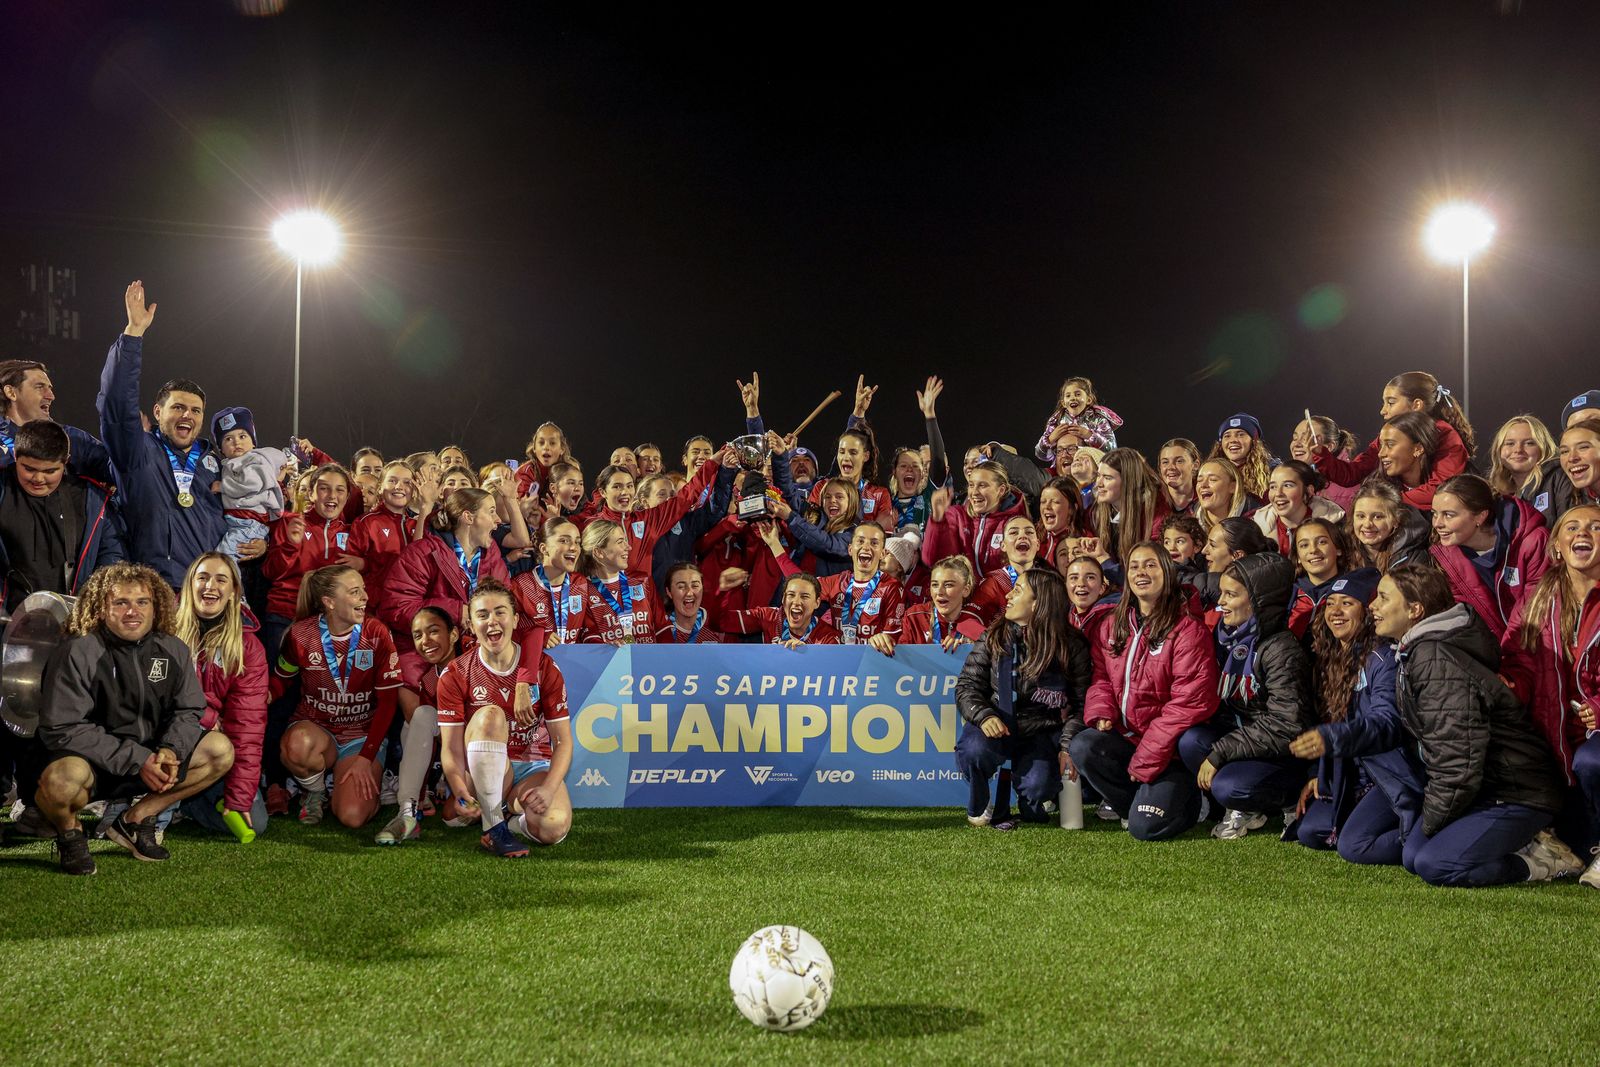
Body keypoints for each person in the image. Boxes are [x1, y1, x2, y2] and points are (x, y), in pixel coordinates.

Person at [1371, 563, 1580, 886]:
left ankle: (1537, 860)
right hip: (1484, 789)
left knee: (1433, 865)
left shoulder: (1434, 659)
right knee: (1413, 857)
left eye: (1383, 598)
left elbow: (1458, 761)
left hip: (1518, 793)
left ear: (1415, 610)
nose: (1373, 605)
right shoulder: (1418, 651)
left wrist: (1431, 822)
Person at [34, 562, 234, 874]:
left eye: (142, 602)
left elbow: (189, 709)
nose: (133, 612)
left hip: (149, 759)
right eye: (120, 603)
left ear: (156, 607)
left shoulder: (173, 649)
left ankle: (135, 819)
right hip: (94, 763)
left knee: (220, 750)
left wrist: (170, 750)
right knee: (59, 783)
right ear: (101, 608)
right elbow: (62, 727)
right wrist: (138, 759)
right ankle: (70, 833)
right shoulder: (78, 651)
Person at [1070, 542, 1220, 840]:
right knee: (1084, 745)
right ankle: (1136, 803)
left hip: (1171, 751)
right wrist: (1102, 710)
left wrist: (1147, 758)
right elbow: (1101, 676)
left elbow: (1188, 704)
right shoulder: (1112, 624)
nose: (1141, 572)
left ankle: (1190, 801)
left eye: (1150, 565)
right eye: (1135, 566)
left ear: (1167, 572)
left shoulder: (1188, 630)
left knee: (1146, 829)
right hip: (1130, 738)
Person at [96, 281, 230, 589]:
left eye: (195, 411)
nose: (187, 416)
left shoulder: (215, 462)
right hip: (154, 588)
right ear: (157, 412)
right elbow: (117, 406)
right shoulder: (137, 451)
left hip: (207, 592)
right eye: (178, 407)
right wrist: (133, 335)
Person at [1179, 552, 1314, 839]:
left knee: (1230, 786)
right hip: (1247, 738)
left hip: (1283, 754)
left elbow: (1287, 726)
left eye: (1231, 595)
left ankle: (1287, 799)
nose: (1221, 603)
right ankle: (1242, 805)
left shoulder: (1281, 649)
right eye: (1221, 593)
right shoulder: (1227, 636)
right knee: (1191, 742)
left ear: (1258, 600)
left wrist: (1222, 751)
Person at [1500, 504, 1600, 887]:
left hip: (1592, 738)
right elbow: (1519, 662)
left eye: (1595, 527)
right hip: (1555, 737)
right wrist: (1508, 687)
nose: (1583, 533)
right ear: (1557, 544)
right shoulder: (1537, 597)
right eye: (1572, 527)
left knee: (1592, 761)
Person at [437, 579, 572, 858]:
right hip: (482, 765)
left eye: (500, 612)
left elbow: (563, 742)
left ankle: (509, 818)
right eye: (482, 615)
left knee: (553, 827)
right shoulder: (455, 673)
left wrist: (549, 789)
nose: (492, 621)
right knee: (490, 716)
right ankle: (494, 826)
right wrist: (460, 789)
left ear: (515, 619)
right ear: (471, 625)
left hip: (531, 765)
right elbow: (450, 747)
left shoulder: (545, 668)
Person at [1286, 568, 1410, 864]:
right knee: (1311, 831)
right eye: (1330, 603)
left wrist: (1332, 739)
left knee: (1355, 846)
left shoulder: (1382, 659)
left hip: (1385, 773)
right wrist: (1317, 774)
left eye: (1348, 603)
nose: (1336, 611)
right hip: (1350, 772)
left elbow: (1385, 721)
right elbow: (1324, 722)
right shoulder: (1329, 657)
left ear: (1366, 611)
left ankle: (1421, 832)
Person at [955, 568, 1091, 829]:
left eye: (1017, 590)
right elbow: (967, 686)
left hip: (1040, 731)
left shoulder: (1071, 645)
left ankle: (1034, 797)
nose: (1008, 595)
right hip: (996, 722)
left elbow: (1081, 704)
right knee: (974, 751)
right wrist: (984, 716)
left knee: (1039, 787)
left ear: (1038, 603)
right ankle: (981, 798)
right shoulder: (994, 635)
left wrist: (1066, 746)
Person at [271, 565, 402, 828]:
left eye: (363, 589)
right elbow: (281, 680)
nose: (365, 597)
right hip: (317, 729)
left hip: (361, 735)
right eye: (354, 592)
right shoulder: (300, 634)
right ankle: (316, 791)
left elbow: (388, 704)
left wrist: (366, 757)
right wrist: (261, 695)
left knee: (352, 817)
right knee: (296, 745)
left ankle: (366, 780)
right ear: (329, 602)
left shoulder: (376, 633)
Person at [173, 552, 269, 841]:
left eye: (221, 580)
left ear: (234, 592)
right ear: (189, 585)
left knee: (256, 823)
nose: (210, 586)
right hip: (167, 734)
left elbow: (247, 726)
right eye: (202, 577)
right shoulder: (165, 630)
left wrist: (238, 797)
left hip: (212, 746)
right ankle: (154, 798)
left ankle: (184, 801)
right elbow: (155, 697)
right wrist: (207, 717)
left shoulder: (248, 647)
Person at [0, 420, 125, 610]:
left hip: (74, 618)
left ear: (66, 461)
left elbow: (111, 555)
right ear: (15, 456)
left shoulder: (91, 499)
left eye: (50, 471)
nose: (38, 479)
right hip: (6, 619)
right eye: (29, 469)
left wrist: (92, 603)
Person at [1311, 370, 1472, 508]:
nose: (1383, 411)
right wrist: (1321, 454)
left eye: (1391, 402)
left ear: (1416, 405)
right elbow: (1354, 473)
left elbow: (1441, 490)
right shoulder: (1388, 435)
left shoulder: (1445, 434)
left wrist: (1387, 501)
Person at [382, 488, 512, 647]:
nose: (498, 519)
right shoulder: (422, 553)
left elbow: (506, 600)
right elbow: (397, 609)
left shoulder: (491, 554)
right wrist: (456, 612)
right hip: (427, 649)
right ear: (468, 517)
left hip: (477, 646)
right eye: (491, 511)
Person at [375, 605, 460, 845]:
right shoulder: (429, 680)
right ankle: (408, 812)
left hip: (494, 756)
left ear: (454, 634)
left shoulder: (476, 663)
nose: (426, 641)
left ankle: (503, 806)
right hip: (461, 757)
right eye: (418, 635)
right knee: (419, 717)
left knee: (458, 817)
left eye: (433, 631)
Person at [1429, 473, 1548, 641]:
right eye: (1434, 514)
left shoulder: (1532, 542)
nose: (1437, 523)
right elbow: (1466, 617)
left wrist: (1508, 652)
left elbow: (1536, 610)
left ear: (1480, 516)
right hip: (1498, 648)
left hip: (1537, 643)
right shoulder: (1449, 556)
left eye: (1448, 515)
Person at [261, 464, 360, 661]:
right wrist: (289, 545)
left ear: (347, 497)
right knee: (279, 679)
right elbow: (270, 572)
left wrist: (363, 565)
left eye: (340, 490)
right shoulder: (292, 522)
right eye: (324, 488)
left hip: (329, 623)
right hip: (285, 616)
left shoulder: (352, 533)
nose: (332, 495)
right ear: (311, 494)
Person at [0, 357, 114, 480]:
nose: (51, 396)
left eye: (49, 388)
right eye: (39, 387)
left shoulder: (73, 439)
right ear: (11, 393)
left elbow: (120, 472)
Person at [347, 460, 424, 620]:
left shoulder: (417, 525)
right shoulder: (366, 522)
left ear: (414, 491)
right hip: (374, 609)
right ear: (380, 487)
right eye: (392, 480)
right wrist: (367, 564)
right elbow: (351, 565)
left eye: (407, 482)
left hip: (409, 608)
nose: (399, 486)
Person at [212, 406, 290, 563]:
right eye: (228, 439)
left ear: (253, 442)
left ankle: (230, 580)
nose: (236, 442)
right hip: (240, 521)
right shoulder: (232, 463)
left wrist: (223, 487)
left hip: (249, 522)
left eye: (242, 436)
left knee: (224, 559)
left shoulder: (253, 460)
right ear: (221, 449)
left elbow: (251, 484)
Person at [817, 522, 905, 647]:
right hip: (839, 656)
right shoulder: (836, 582)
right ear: (850, 549)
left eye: (874, 543)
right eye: (860, 541)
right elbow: (801, 587)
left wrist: (884, 639)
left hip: (871, 657)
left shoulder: (891, 587)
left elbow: (892, 638)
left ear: (882, 553)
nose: (866, 547)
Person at [577, 518, 663, 644]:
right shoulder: (582, 590)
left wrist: (667, 655)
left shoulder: (642, 580)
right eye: (620, 542)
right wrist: (606, 647)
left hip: (648, 656)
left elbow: (663, 628)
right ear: (599, 552)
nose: (628, 547)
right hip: (612, 657)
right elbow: (589, 636)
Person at [511, 517, 592, 645]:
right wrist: (538, 637)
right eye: (564, 541)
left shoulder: (580, 583)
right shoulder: (521, 586)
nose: (574, 547)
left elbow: (590, 629)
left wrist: (608, 642)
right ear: (544, 549)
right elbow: (508, 631)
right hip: (537, 657)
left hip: (572, 657)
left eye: (577, 542)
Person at [1088, 447, 1168, 568]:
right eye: (1098, 476)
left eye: (1108, 478)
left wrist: (1104, 560)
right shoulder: (1095, 512)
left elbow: (1153, 570)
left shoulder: (1156, 515)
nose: (1099, 483)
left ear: (1128, 481)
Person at [718, 571, 841, 646]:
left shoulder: (828, 636)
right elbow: (721, 622)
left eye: (804, 596)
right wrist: (723, 592)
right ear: (783, 599)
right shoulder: (769, 617)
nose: (796, 602)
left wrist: (807, 655)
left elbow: (831, 674)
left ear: (817, 603)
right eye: (791, 595)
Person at [1252, 460, 1344, 555]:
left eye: (1287, 485)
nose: (1278, 493)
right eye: (1273, 487)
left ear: (1309, 490)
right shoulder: (1256, 530)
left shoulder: (1334, 526)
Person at [1287, 517, 1357, 637]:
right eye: (1304, 545)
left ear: (1338, 549)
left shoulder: (1353, 591)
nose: (1313, 550)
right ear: (1298, 557)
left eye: (1322, 542)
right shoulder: (1288, 593)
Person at [897, 555, 985, 647]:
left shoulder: (976, 626)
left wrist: (965, 650)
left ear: (966, 590)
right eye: (935, 585)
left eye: (948, 585)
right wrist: (887, 645)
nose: (939, 592)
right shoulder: (915, 617)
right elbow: (901, 654)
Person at [1346, 478, 1430, 574]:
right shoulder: (1342, 549)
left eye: (1378, 517)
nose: (1367, 524)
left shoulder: (1412, 558)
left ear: (1396, 520)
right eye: (1361, 516)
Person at [967, 516, 1039, 625]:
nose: (1022, 536)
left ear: (1037, 544)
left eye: (1029, 532)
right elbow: (968, 621)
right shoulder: (994, 582)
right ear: (1003, 545)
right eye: (1014, 532)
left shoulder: (1048, 581)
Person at [1035, 376, 1122, 464]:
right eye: (1068, 396)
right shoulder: (1056, 421)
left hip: (1091, 468)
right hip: (1064, 468)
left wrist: (1088, 435)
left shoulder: (1099, 419)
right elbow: (1040, 454)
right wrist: (1050, 439)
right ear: (1063, 403)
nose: (1072, 398)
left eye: (1078, 394)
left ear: (1088, 400)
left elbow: (1112, 451)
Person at [1487, 414, 1559, 504]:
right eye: (1510, 443)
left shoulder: (1557, 479)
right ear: (1498, 450)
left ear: (1544, 448)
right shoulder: (1497, 496)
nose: (1518, 450)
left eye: (1529, 443)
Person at [656, 561, 727, 643]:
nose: (689, 593)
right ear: (669, 592)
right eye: (681, 587)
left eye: (695, 586)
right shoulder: (660, 631)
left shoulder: (717, 627)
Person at [1209, 413, 1275, 499]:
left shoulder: (1272, 471)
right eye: (1227, 436)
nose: (1233, 440)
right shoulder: (1210, 472)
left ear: (1254, 441)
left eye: (1241, 434)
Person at [1194, 456, 1257, 533]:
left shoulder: (1255, 522)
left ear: (1233, 487)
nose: (1203, 485)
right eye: (1199, 480)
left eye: (1213, 479)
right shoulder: (1188, 521)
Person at [1157, 438, 1201, 515]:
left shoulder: (1206, 498)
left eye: (1179, 461)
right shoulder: (1151, 502)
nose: (1170, 467)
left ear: (1195, 465)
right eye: (1165, 462)